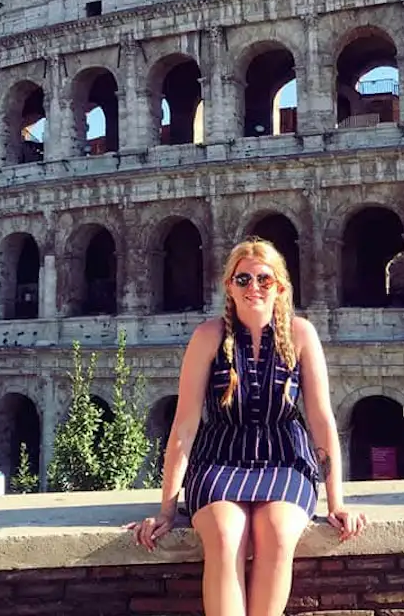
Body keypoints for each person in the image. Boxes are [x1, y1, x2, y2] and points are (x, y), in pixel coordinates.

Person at [128, 237, 367, 616]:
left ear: (280, 287)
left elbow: (322, 420)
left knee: (277, 533)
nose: (253, 287)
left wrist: (336, 502)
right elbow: (184, 426)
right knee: (224, 536)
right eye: (243, 279)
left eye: (263, 279)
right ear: (229, 286)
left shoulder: (301, 334)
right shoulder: (208, 336)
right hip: (220, 456)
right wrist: (166, 510)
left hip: (285, 458)